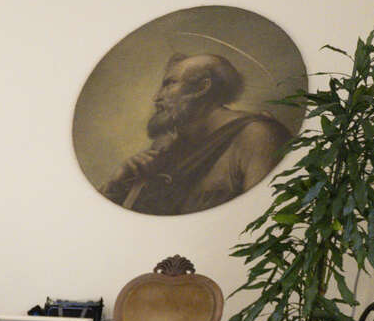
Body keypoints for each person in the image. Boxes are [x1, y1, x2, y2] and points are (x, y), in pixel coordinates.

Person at [100, 53, 292, 215]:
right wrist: (118, 182)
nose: (156, 97)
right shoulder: (167, 147)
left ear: (202, 87)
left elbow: (265, 217)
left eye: (169, 84)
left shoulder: (258, 136)